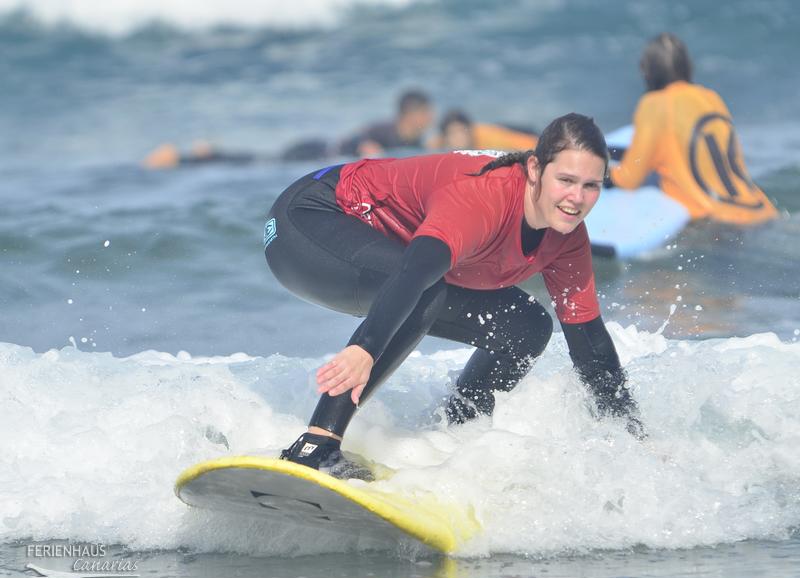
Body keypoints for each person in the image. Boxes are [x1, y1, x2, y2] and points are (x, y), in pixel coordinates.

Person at [263, 113, 645, 477]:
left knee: (526, 327)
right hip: (308, 221)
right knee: (425, 292)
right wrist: (365, 347)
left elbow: (591, 346)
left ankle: (455, 436)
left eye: (591, 186)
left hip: (399, 266)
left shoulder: (567, 240)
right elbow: (416, 271)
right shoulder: (485, 197)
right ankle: (318, 444)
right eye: (566, 180)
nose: (576, 198)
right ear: (534, 169)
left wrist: (633, 440)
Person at [609, 33, 778, 225]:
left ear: (646, 72)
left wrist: (601, 176)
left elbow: (629, 179)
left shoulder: (654, 104)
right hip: (764, 212)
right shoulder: (711, 97)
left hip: (719, 225)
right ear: (688, 67)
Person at [143, 89, 435, 169]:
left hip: (319, 151)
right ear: (412, 114)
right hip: (315, 151)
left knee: (261, 159)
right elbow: (361, 136)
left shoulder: (413, 139)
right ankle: (184, 158)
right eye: (426, 112)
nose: (430, 117)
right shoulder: (385, 130)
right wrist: (365, 147)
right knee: (259, 162)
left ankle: (207, 154)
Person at [428, 109, 539, 151]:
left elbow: (530, 145)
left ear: (470, 132)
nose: (458, 138)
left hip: (525, 135)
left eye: (462, 131)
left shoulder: (489, 141)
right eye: (452, 133)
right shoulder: (438, 143)